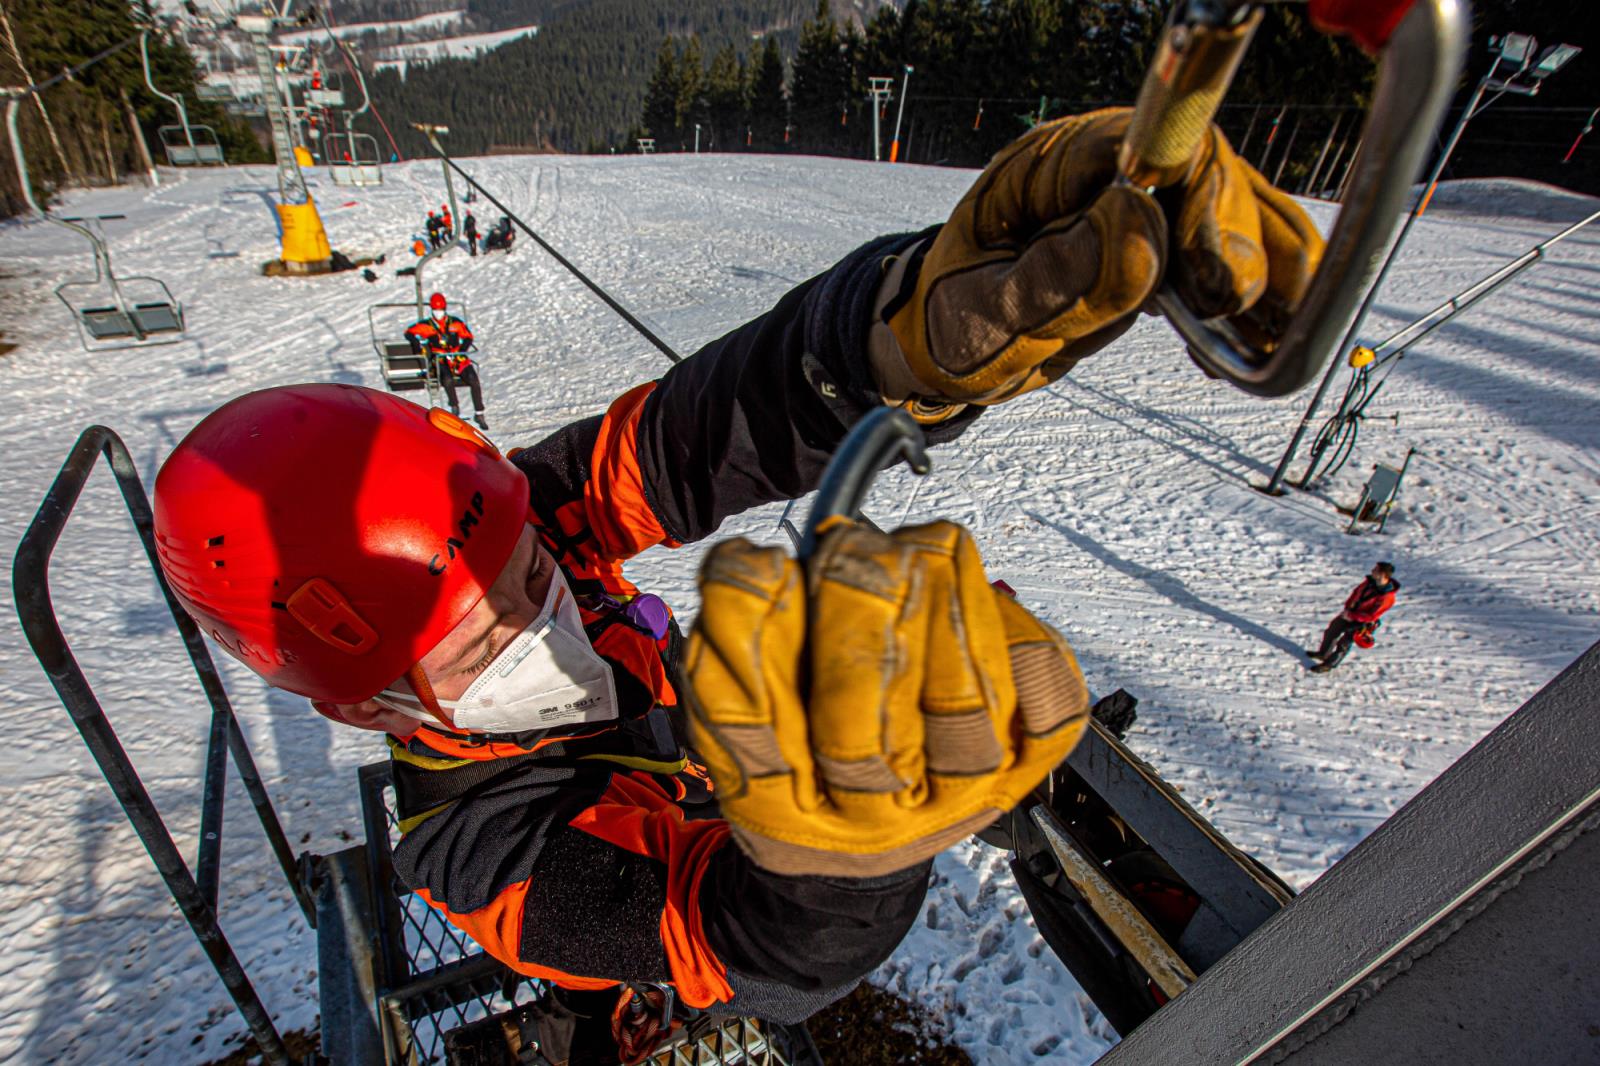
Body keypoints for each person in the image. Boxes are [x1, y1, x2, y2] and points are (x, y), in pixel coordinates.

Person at [150, 109, 1320, 1057]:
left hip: (696, 764)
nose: (533, 614)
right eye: (471, 645)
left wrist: (899, 331)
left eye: (527, 571)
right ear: (366, 706)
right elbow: (741, 939)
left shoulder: (520, 519)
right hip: (644, 937)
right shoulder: (478, 851)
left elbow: (707, 425)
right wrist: (844, 855)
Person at [405, 292, 486, 428]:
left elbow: (467, 336)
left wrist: (462, 349)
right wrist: (416, 344)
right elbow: (410, 332)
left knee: (473, 378)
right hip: (440, 359)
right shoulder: (427, 325)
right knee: (447, 379)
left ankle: (479, 412)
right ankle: (454, 406)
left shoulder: (455, 323)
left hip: (457, 357)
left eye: (441, 310)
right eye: (436, 310)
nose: (439, 313)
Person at [1308, 561, 1400, 673]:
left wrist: (1352, 616)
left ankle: (1329, 664)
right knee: (1331, 631)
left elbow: (1372, 615)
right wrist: (1348, 608)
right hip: (1349, 614)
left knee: (1344, 643)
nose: (1372, 571)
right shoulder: (1369, 582)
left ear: (1383, 574)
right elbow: (1356, 593)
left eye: (1375, 570)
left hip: (1361, 622)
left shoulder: (1387, 597)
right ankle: (1323, 653)